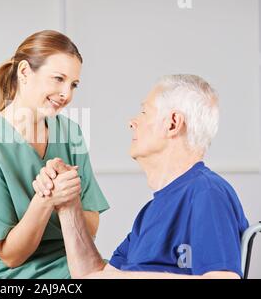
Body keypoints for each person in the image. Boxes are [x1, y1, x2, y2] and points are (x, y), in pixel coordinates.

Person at [34, 74, 249, 278]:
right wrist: (68, 204)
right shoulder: (152, 210)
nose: (132, 122)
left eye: (144, 112)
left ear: (173, 123)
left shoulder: (207, 193)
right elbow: (93, 274)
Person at [0, 30, 109, 278]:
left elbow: (91, 227)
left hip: (79, 262)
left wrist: (69, 201)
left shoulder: (71, 133)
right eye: (58, 79)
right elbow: (12, 256)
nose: (67, 94)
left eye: (73, 84)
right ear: (25, 72)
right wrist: (46, 198)